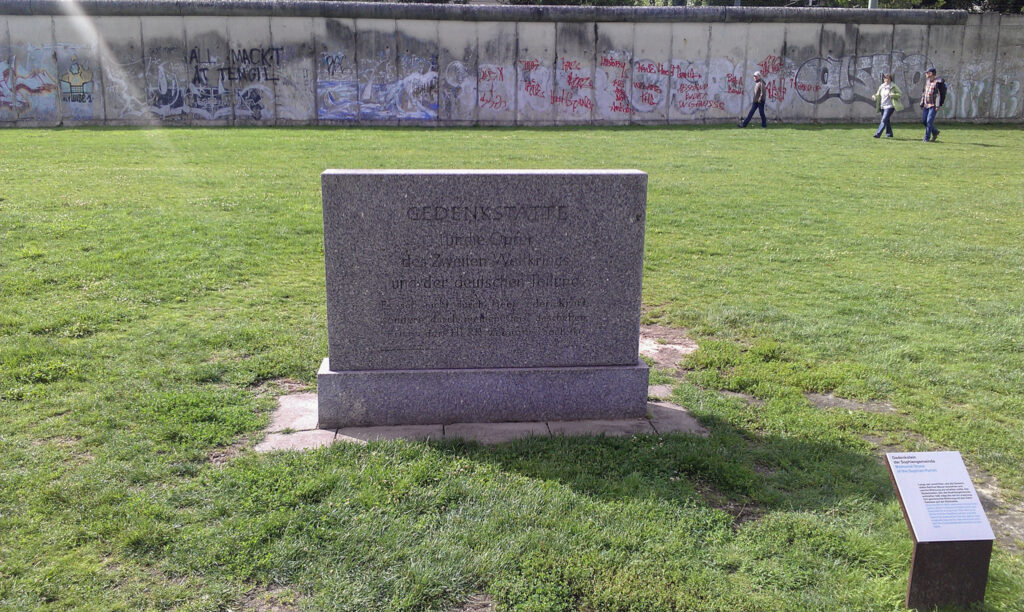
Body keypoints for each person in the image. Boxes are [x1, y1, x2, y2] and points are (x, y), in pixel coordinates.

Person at [871, 74, 902, 138]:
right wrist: (875, 96)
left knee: (884, 120)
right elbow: (878, 94)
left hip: (890, 106)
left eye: (887, 78)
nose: (886, 79)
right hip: (882, 106)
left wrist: (893, 95)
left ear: (890, 79)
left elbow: (899, 93)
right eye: (884, 78)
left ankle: (878, 134)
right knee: (886, 120)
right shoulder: (882, 86)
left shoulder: (893, 86)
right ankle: (889, 134)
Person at [919, 67, 946, 142]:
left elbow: (938, 95)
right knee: (924, 121)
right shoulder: (927, 82)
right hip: (926, 104)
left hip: (933, 105)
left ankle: (926, 138)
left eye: (927, 73)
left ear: (931, 73)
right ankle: (935, 131)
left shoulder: (937, 83)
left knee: (929, 121)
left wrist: (937, 105)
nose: (926, 74)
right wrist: (922, 103)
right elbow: (924, 93)